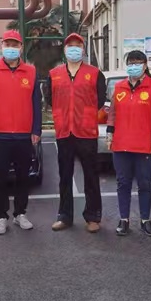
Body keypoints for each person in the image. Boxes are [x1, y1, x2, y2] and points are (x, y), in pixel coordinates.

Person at [0, 30, 42, 235]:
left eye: (15, 44)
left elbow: (36, 103)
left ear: (21, 48)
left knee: (23, 177)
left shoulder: (31, 71)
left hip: (24, 135)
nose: (11, 48)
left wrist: (36, 129)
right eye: (7, 44)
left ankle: (20, 213)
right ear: (2, 46)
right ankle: (1, 216)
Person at [46, 33, 106, 233]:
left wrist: (85, 114)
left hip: (86, 131)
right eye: (70, 45)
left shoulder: (95, 73)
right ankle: (64, 216)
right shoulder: (54, 74)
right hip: (64, 131)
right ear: (65, 50)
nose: (74, 49)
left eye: (78, 45)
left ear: (83, 49)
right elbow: (49, 98)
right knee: (65, 176)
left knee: (91, 176)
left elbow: (100, 99)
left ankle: (93, 216)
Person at [106, 50, 151, 237]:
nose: (134, 66)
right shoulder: (119, 87)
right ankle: (124, 219)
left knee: (144, 183)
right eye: (131, 63)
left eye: (138, 63)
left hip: (144, 145)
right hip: (121, 144)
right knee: (122, 183)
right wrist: (109, 135)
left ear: (145, 65)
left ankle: (145, 220)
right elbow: (112, 114)